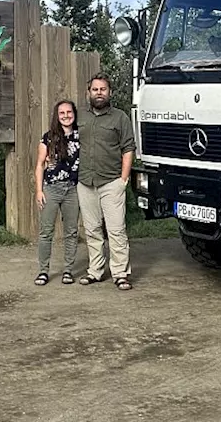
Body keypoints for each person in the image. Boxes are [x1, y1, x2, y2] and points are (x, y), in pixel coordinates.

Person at [76, 73, 136, 291]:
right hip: (85, 182)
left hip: (111, 181)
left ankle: (120, 274)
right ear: (88, 92)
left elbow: (128, 148)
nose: (99, 93)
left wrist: (123, 179)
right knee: (92, 230)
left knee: (116, 230)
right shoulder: (79, 117)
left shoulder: (120, 118)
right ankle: (95, 271)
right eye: (95, 89)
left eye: (103, 89)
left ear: (110, 92)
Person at [33, 99, 81, 286]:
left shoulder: (81, 136)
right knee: (46, 232)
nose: (66, 116)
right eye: (62, 113)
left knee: (71, 231)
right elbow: (39, 165)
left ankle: (68, 270)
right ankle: (43, 271)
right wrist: (39, 190)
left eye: (69, 112)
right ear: (57, 115)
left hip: (73, 189)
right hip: (51, 188)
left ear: (74, 114)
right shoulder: (48, 138)